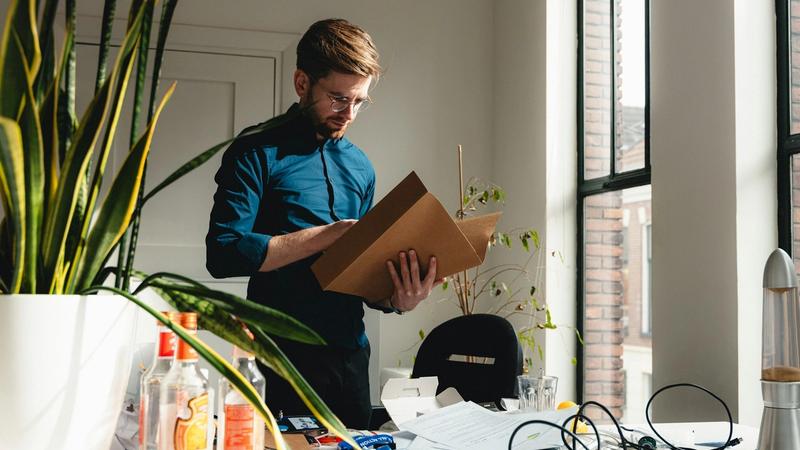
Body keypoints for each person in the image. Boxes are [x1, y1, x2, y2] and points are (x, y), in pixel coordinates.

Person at [205, 18, 440, 429]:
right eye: (337, 98)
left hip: (350, 361)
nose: (348, 113)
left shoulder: (361, 167)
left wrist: (398, 299)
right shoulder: (255, 151)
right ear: (302, 83)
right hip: (278, 359)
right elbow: (223, 251)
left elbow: (363, 279)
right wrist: (327, 237)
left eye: (359, 101)